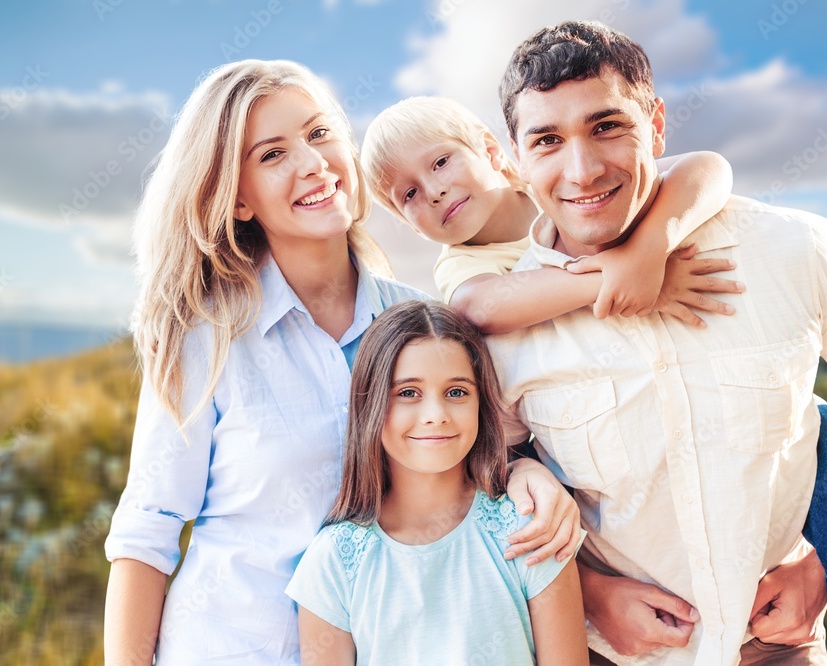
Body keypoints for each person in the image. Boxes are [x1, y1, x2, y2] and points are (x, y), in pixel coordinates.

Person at [102, 59, 581, 665]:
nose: (311, 162)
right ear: (239, 199)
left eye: (320, 133)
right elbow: (147, 532)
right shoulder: (207, 338)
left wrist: (524, 472)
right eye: (272, 154)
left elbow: (476, 468)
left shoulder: (422, 325)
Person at [489, 20, 827, 665]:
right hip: (608, 656)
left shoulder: (794, 252)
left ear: (656, 122)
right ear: (515, 155)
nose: (581, 170)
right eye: (548, 140)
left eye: (607, 126)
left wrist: (823, 562)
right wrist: (585, 594)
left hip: (775, 651)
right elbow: (473, 492)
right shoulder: (502, 333)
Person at [286, 300, 589, 665]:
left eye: (457, 392)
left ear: (481, 403)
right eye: (408, 393)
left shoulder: (529, 532)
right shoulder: (334, 560)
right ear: (371, 405)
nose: (436, 416)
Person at [360, 95, 744, 334]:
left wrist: (647, 251)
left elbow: (706, 167)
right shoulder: (462, 262)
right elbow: (478, 307)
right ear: (407, 223)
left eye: (441, 162)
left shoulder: (558, 186)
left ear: (491, 152)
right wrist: (618, 277)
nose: (434, 192)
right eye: (409, 194)